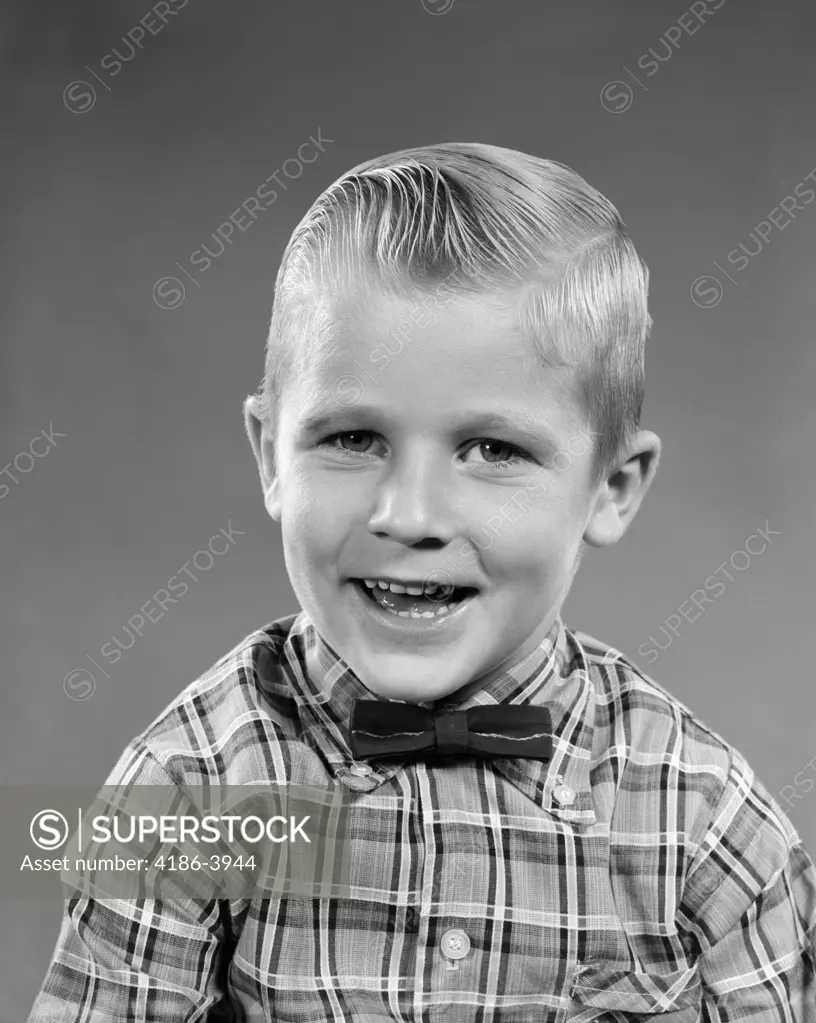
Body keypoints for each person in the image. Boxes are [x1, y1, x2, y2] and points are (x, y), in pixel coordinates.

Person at [30, 143, 816, 1021]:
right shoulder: (185, 794)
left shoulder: (709, 827)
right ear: (269, 457)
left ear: (611, 488)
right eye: (354, 438)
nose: (409, 514)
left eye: (493, 450)